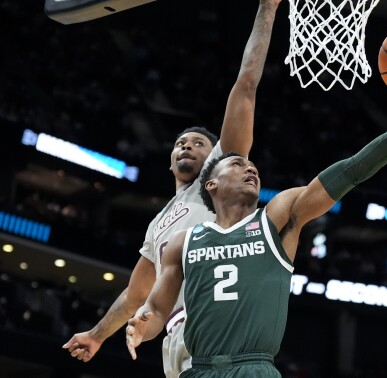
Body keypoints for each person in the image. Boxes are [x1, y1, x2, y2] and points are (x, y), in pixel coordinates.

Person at [125, 58, 387, 377]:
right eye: (238, 164)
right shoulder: (184, 242)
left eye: (252, 166)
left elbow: (353, 170)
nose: (250, 169)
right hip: (196, 370)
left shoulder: (276, 219)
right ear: (210, 183)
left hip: (253, 367)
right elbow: (155, 307)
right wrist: (141, 325)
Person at [62, 1, 282, 377]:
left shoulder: (213, 186)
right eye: (181, 143)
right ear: (169, 160)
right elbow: (136, 295)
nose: (187, 146)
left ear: (214, 160)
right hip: (176, 340)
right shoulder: (159, 223)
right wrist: (98, 336)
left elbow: (245, 85)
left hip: (221, 326)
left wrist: (268, 8)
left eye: (199, 143)